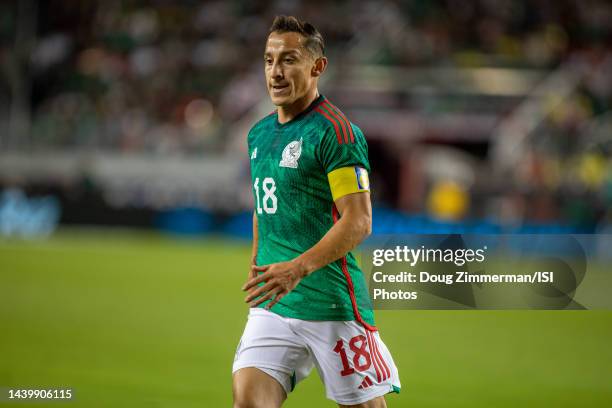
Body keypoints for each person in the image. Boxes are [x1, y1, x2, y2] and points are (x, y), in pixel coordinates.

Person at [232, 15, 401, 408]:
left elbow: (359, 221)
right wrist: (260, 263)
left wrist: (298, 268)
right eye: (269, 60)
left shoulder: (336, 133)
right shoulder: (258, 133)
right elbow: (264, 207)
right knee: (247, 403)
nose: (275, 71)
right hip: (274, 305)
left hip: (330, 304)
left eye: (289, 60)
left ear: (317, 66)